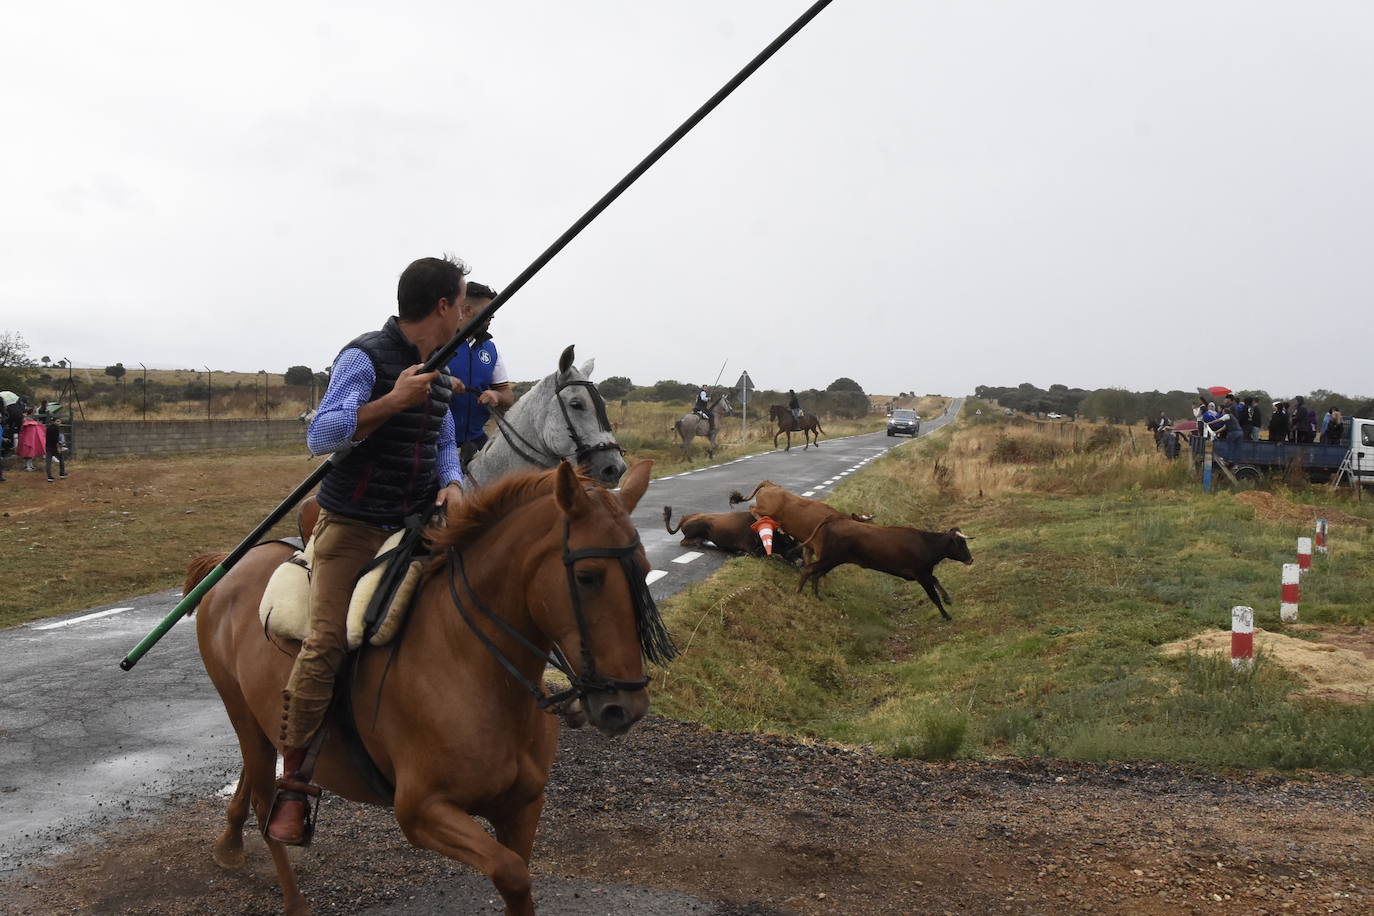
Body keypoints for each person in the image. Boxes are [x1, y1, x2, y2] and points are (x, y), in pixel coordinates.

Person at [267, 255, 470, 846]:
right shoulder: (365, 357)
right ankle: (294, 784)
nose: (465, 315)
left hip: (413, 523)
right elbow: (320, 436)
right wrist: (391, 402)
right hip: (352, 527)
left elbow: (444, 439)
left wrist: (453, 481)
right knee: (327, 642)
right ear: (440, 307)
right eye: (460, 304)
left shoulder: (438, 366)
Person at [444, 281, 514, 471]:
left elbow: (507, 395)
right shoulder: (438, 342)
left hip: (477, 442)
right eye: (488, 311)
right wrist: (442, 383)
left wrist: (496, 396)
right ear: (467, 309)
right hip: (437, 444)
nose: (492, 316)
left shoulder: (491, 350)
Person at [44, 412, 67, 481]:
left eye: (59, 421)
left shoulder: (48, 428)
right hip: (54, 447)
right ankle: (62, 474)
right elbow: (56, 439)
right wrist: (58, 448)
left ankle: (49, 477)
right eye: (58, 421)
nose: (59, 422)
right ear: (54, 422)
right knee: (61, 459)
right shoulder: (56, 428)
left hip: (48, 446)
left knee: (48, 462)